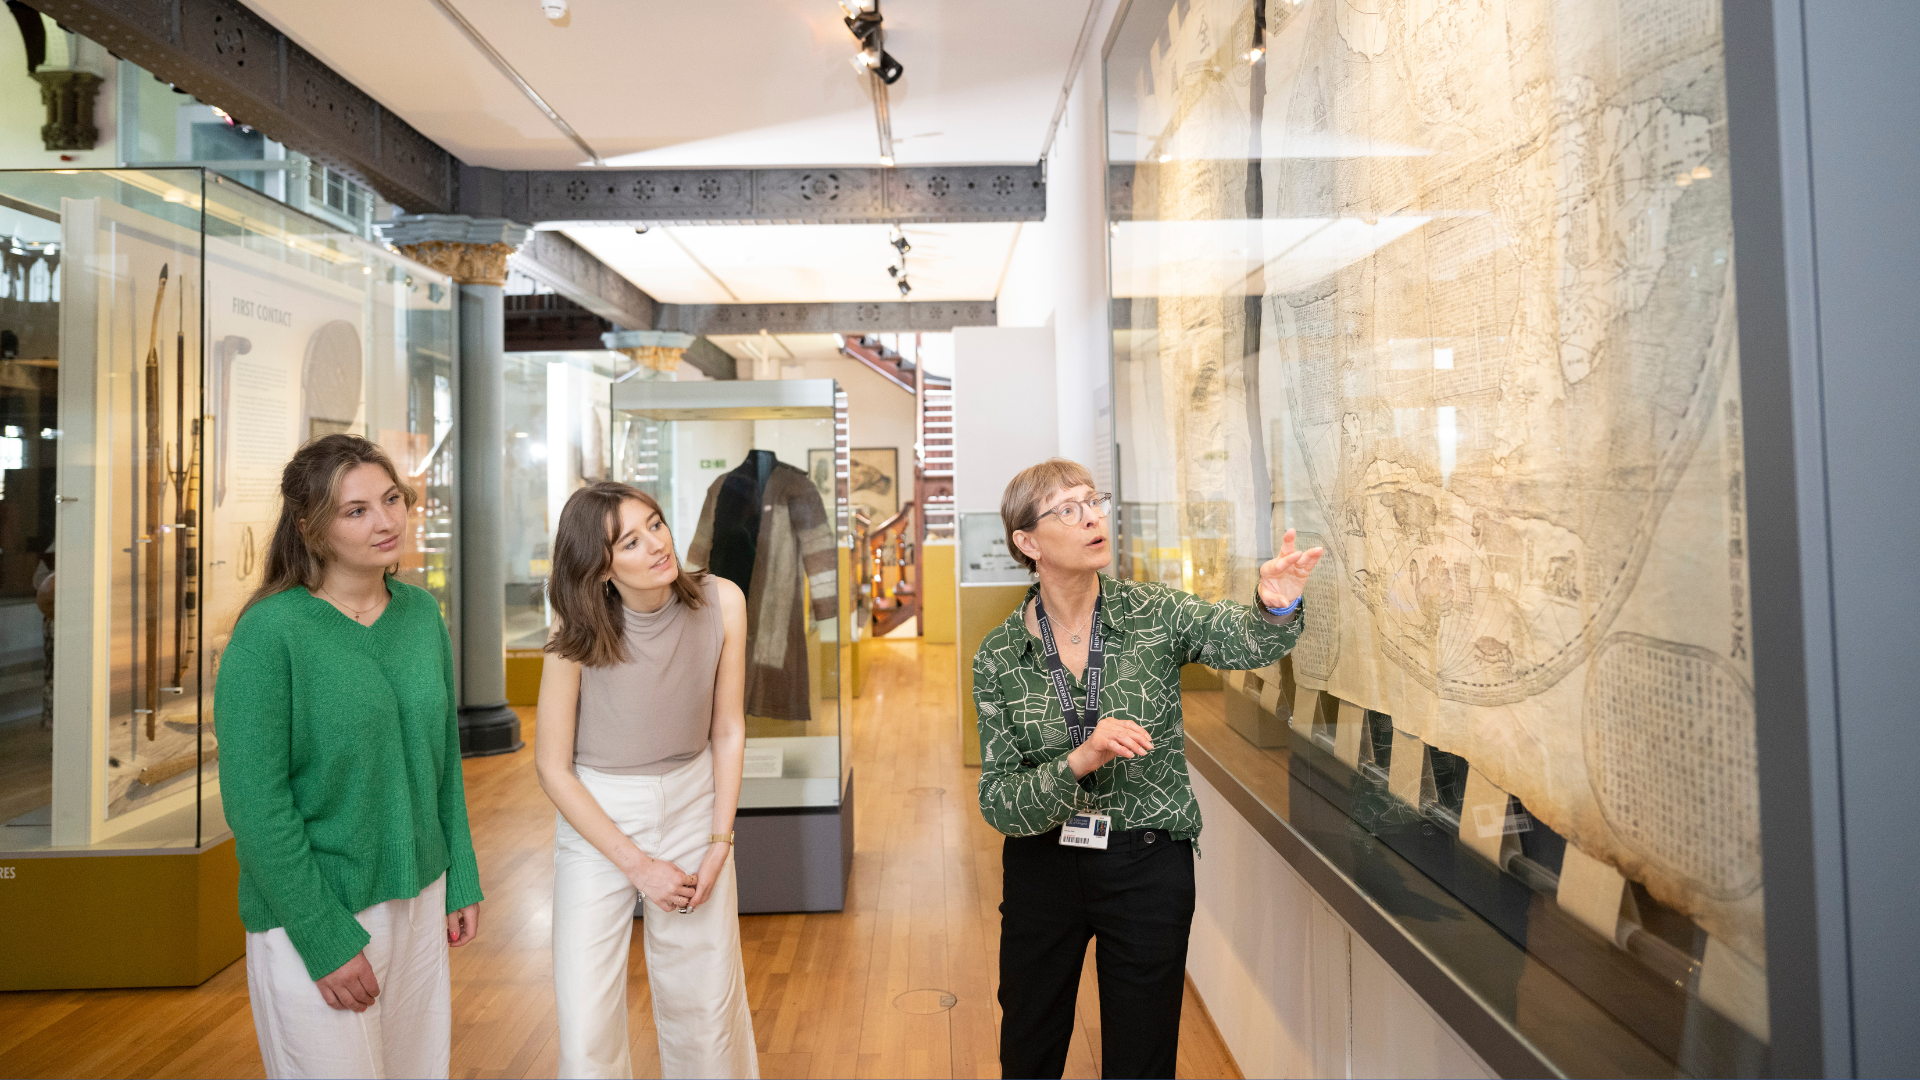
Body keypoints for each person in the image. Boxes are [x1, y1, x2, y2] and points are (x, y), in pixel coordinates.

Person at [974, 458, 1323, 1080]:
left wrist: (1274, 606)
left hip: (1145, 864)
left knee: (1143, 1050)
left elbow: (1241, 640)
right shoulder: (1000, 655)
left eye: (1094, 501)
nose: (1093, 517)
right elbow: (999, 802)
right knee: (1030, 1041)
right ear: (1028, 543)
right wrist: (1081, 760)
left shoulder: (1154, 613)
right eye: (1069, 510)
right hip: (1043, 865)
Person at [215, 434, 482, 1080]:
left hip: (420, 900)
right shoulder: (268, 634)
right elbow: (258, 810)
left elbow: (441, 763)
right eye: (356, 510)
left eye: (392, 499)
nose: (386, 520)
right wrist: (324, 938)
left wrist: (461, 876)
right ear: (311, 528)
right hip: (320, 910)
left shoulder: (421, 615)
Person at [536, 481, 758, 1080]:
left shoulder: (722, 600)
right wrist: (636, 864)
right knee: (587, 1022)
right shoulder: (576, 632)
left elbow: (729, 729)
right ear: (601, 568)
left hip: (694, 798)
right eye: (628, 542)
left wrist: (719, 842)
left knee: (706, 1002)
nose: (656, 545)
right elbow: (552, 768)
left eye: (655, 525)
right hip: (599, 815)